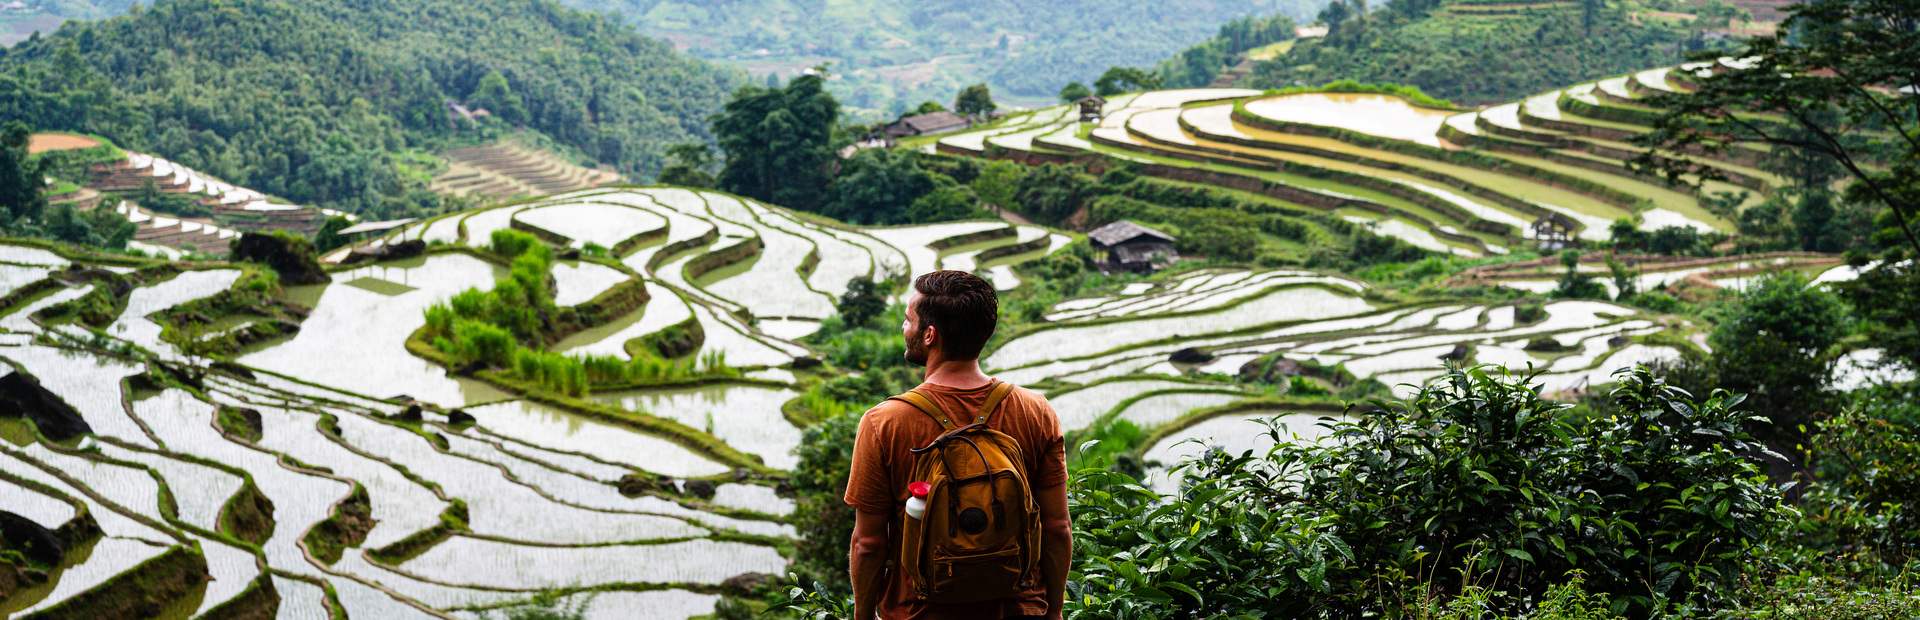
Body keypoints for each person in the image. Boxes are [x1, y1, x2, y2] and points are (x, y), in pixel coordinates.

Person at [844, 270, 1071, 619]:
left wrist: (861, 616)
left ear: (930, 335)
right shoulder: (1035, 411)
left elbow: (869, 543)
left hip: (918, 611)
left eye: (909, 320)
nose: (904, 329)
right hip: (1017, 609)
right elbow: (1057, 528)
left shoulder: (884, 422)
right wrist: (1054, 612)